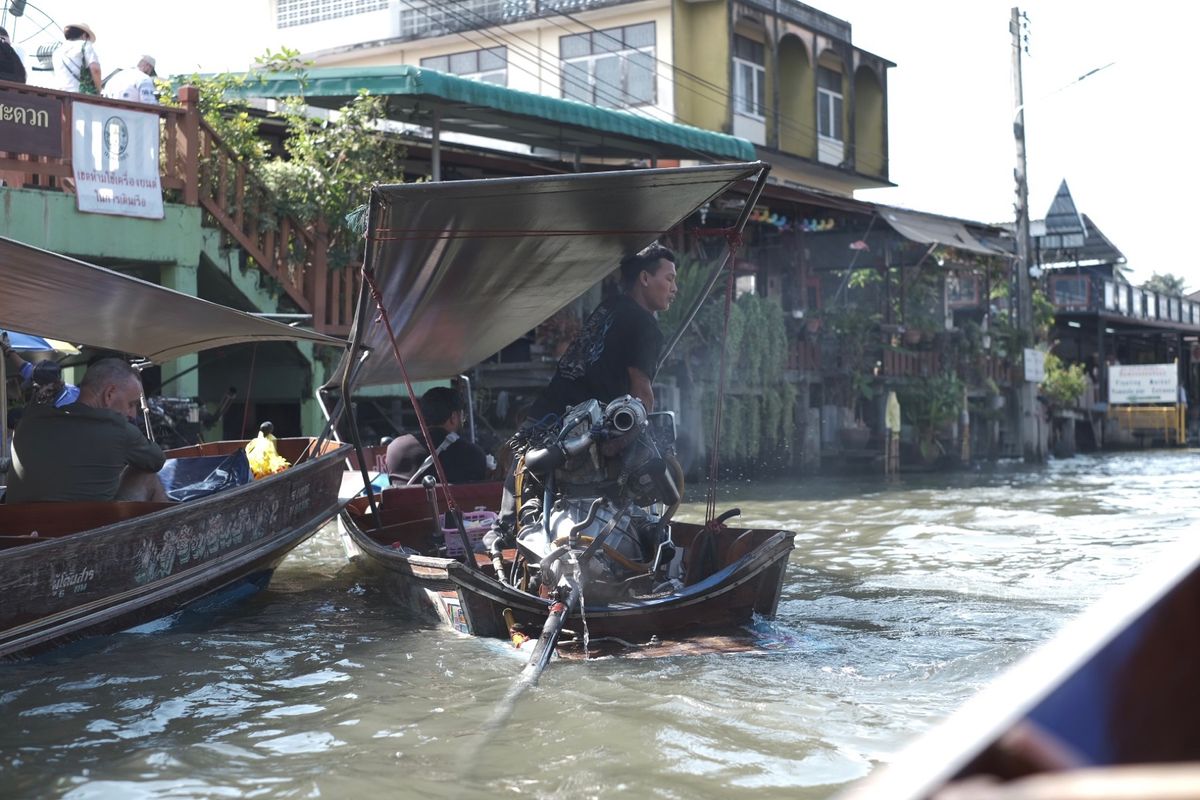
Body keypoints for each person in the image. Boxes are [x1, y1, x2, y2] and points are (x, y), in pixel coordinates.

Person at [486, 243, 678, 547]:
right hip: (586, 429)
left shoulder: (607, 307)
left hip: (548, 412)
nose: (674, 288)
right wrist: (629, 441)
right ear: (644, 278)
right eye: (669, 279)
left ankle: (503, 533)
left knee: (521, 472)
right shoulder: (645, 325)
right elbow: (642, 393)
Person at [5, 358, 167, 503]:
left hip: (19, 529)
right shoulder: (119, 429)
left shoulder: (27, 422)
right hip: (87, 532)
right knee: (147, 476)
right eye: (131, 404)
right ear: (109, 394)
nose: (132, 414)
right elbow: (156, 460)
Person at [386, 386, 489, 484]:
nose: (463, 421)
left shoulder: (395, 449)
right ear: (453, 417)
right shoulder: (472, 454)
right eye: (462, 416)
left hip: (405, 503)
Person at [1, 335, 79, 407]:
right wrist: (8, 349)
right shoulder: (43, 378)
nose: (36, 388)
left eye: (39, 386)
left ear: (52, 385)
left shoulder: (66, 403)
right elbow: (24, 366)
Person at [52, 23, 101, 95]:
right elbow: (95, 69)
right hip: (81, 95)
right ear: (84, 35)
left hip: (61, 96)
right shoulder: (85, 45)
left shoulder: (57, 52)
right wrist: (98, 90)